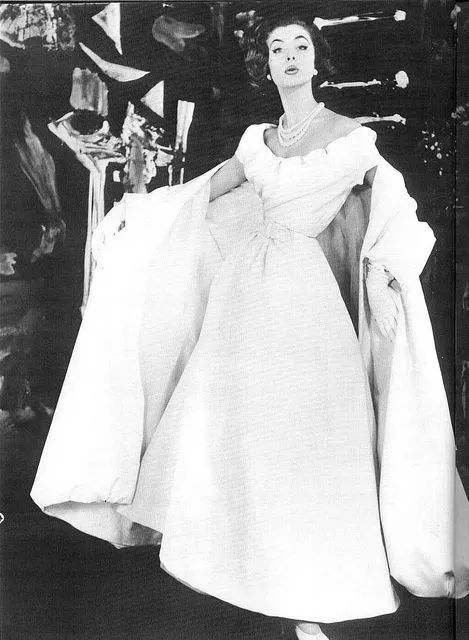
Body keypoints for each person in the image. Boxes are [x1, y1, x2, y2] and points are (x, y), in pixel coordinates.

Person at [31, 13, 469, 640]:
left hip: (305, 299)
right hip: (241, 297)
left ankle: (311, 592)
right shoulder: (255, 141)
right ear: (265, 65)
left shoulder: (352, 139)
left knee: (306, 439)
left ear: (317, 61)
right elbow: (202, 193)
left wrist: (385, 269)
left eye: (300, 46)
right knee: (231, 431)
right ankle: (231, 565)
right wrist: (135, 213)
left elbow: (396, 209)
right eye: (277, 48)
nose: (289, 56)